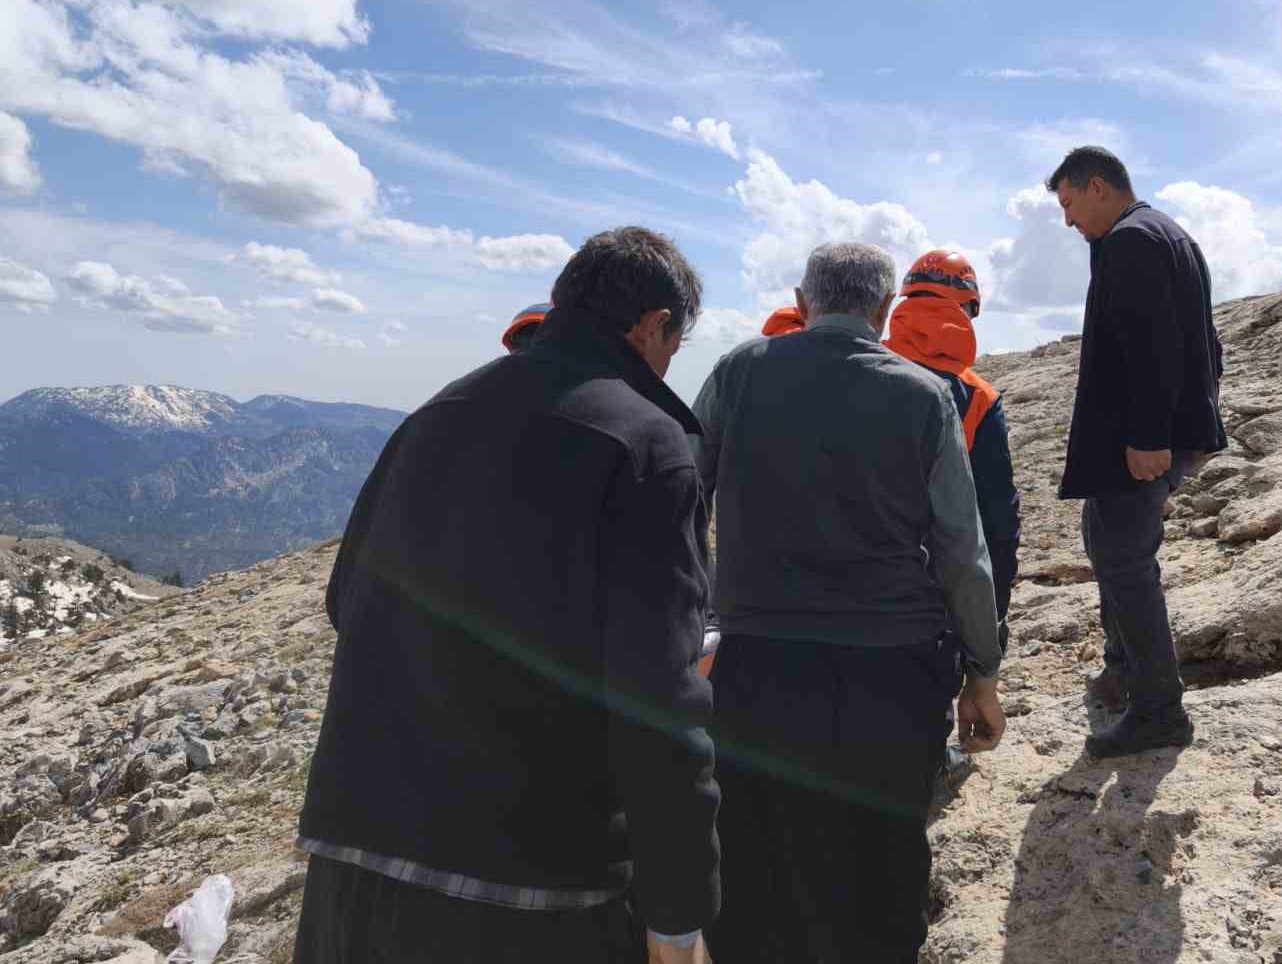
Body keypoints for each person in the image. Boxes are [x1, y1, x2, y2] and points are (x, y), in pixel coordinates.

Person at [294, 227, 719, 964]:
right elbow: (658, 701)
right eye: (674, 345)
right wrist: (677, 915)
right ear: (654, 327)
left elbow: (345, 602)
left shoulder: (435, 412)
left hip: (354, 858)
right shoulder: (647, 445)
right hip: (531, 888)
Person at [696, 242, 1006, 963]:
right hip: (893, 671)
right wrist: (981, 672)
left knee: (753, 855)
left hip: (758, 662)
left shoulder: (741, 371)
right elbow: (963, 549)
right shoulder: (922, 394)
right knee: (885, 859)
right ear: (885, 310)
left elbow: (682, 492)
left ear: (802, 304)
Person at [1047, 147, 1226, 760]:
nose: (1069, 222)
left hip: (1144, 438)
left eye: (1069, 205)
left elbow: (1154, 348)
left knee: (1125, 560)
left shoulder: (1132, 241)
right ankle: (1123, 667)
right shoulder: (1166, 232)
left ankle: (1158, 710)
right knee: (1104, 541)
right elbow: (1205, 338)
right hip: (1152, 432)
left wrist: (1154, 437)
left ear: (1098, 187)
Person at [882, 251, 1022, 789]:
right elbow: (995, 532)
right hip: (928, 604)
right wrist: (986, 658)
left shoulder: (857, 368)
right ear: (967, 309)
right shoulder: (977, 399)